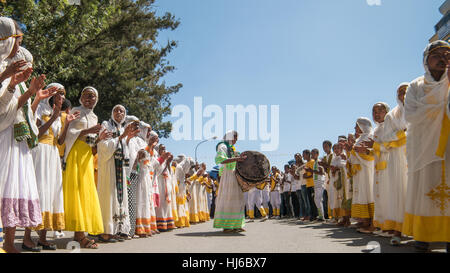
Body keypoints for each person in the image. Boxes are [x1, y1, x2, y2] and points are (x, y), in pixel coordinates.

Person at [0, 18, 56, 252]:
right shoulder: (4, 69)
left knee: (13, 189)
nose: (18, 45)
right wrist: (9, 80)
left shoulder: (13, 74)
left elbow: (20, 111)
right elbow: (3, 109)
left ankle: (10, 243)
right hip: (5, 137)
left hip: (17, 140)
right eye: (16, 40)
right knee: (5, 187)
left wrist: (33, 94)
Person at [403, 40, 450, 252]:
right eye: (437, 54)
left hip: (448, 146)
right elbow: (411, 115)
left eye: (447, 54)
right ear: (426, 61)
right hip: (423, 148)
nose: (443, 58)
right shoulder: (415, 86)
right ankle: (423, 236)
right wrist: (441, 107)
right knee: (424, 191)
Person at [33, 82, 80, 250]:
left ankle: (43, 238)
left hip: (53, 154)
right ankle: (27, 237)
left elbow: (60, 141)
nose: (63, 97)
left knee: (51, 193)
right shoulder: (40, 109)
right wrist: (53, 117)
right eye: (59, 94)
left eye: (64, 95)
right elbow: (36, 133)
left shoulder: (58, 115)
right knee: (39, 190)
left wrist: (66, 123)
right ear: (52, 95)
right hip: (41, 152)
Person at [62, 86, 105, 249]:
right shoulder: (76, 110)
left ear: (96, 99)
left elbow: (92, 142)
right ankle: (80, 236)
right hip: (75, 154)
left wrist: (99, 138)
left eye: (92, 96)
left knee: (86, 192)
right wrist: (88, 130)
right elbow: (69, 134)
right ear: (81, 97)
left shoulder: (94, 116)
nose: (89, 98)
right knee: (77, 192)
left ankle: (80, 233)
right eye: (86, 95)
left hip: (87, 156)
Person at [97, 104, 140, 242]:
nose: (119, 112)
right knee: (108, 197)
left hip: (120, 169)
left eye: (122, 111)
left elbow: (124, 149)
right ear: (112, 112)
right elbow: (103, 146)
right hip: (109, 167)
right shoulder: (106, 124)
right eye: (115, 110)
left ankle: (117, 230)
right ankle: (105, 232)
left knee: (119, 199)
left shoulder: (123, 128)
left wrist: (126, 138)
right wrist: (122, 136)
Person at [213, 130, 247, 233]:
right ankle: (227, 226)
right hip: (227, 175)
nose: (236, 140)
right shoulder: (222, 146)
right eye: (235, 137)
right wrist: (237, 159)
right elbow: (220, 160)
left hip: (235, 175)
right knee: (228, 199)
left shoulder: (232, 148)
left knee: (238, 199)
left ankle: (237, 224)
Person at [133, 130, 162, 237]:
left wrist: (151, 147)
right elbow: (140, 156)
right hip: (140, 174)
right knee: (141, 201)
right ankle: (140, 227)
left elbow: (152, 162)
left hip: (147, 176)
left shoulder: (147, 145)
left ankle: (147, 226)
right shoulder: (138, 141)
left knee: (147, 202)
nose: (149, 133)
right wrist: (149, 146)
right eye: (148, 131)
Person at [349, 117, 375, 233]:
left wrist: (355, 149)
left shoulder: (370, 136)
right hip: (359, 172)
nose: (355, 128)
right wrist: (352, 150)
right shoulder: (360, 138)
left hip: (367, 170)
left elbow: (370, 156)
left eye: (357, 125)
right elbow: (355, 155)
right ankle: (363, 220)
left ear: (363, 126)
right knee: (361, 194)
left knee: (368, 194)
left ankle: (370, 222)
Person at [154, 144, 176, 231]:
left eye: (164, 149)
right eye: (162, 149)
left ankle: (167, 223)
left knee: (166, 203)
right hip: (159, 183)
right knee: (161, 203)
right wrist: (165, 162)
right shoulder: (157, 159)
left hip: (166, 183)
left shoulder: (165, 160)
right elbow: (158, 171)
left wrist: (168, 162)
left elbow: (169, 173)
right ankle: (160, 224)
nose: (163, 151)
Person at [173, 155, 194, 228]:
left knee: (183, 205)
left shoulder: (181, 168)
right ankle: (179, 222)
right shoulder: (179, 167)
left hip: (182, 187)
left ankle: (183, 221)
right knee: (179, 205)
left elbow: (183, 179)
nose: (189, 168)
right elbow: (176, 178)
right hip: (179, 188)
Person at [307, 149, 326, 221]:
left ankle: (322, 216)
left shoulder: (319, 161)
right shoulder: (315, 162)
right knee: (316, 200)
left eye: (313, 154)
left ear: (317, 154)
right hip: (316, 183)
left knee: (318, 199)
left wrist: (311, 171)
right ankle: (320, 215)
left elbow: (322, 172)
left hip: (320, 182)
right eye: (311, 154)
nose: (312, 155)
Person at [302, 150, 316, 220]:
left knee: (314, 201)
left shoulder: (313, 162)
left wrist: (307, 175)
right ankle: (312, 215)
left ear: (308, 154)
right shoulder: (306, 163)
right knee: (310, 201)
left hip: (313, 184)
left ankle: (315, 215)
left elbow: (315, 173)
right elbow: (305, 174)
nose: (303, 156)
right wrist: (305, 175)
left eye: (303, 154)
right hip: (308, 184)